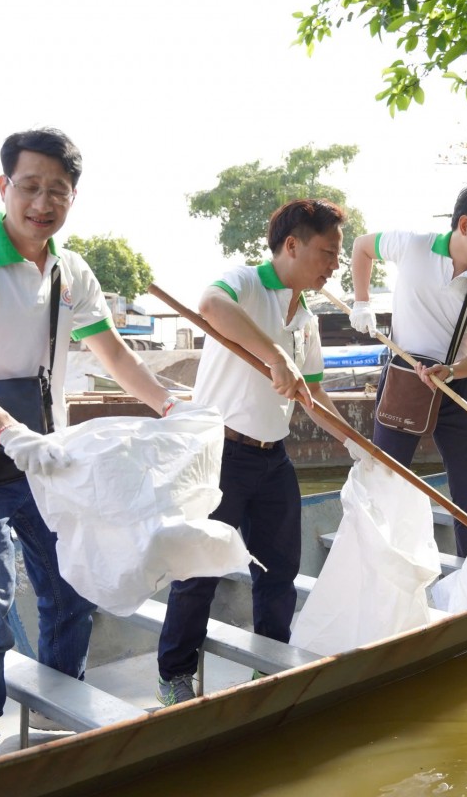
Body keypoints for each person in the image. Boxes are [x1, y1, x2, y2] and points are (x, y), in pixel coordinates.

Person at [0, 127, 179, 768]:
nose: (42, 202)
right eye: (30, 186)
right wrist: (11, 431)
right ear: (4, 187)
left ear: (72, 197)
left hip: (46, 468)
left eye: (57, 190)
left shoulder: (69, 268)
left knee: (71, 591)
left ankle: (59, 721)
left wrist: (170, 405)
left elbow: (111, 351)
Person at [155, 198, 361, 705]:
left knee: (278, 571)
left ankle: (269, 668)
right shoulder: (246, 281)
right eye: (327, 252)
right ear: (292, 246)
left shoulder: (307, 319)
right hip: (219, 453)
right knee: (199, 568)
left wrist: (357, 444)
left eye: (337, 255)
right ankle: (173, 674)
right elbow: (209, 306)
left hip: (274, 458)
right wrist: (274, 355)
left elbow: (312, 396)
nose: (334, 264)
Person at [348, 184, 467, 558]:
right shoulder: (412, 245)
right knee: (384, 483)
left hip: (456, 387)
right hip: (404, 382)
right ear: (464, 224)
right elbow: (360, 245)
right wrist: (361, 303)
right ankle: (372, 567)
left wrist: (451, 371)